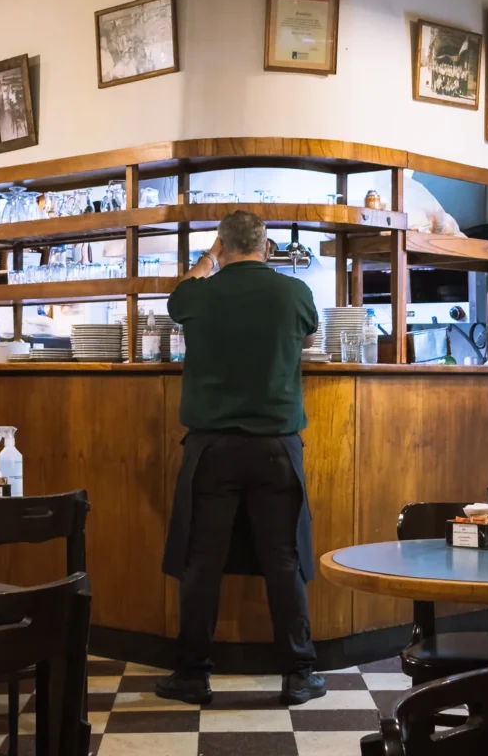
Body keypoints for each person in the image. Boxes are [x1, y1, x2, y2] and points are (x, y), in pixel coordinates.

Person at [156, 210, 326, 706]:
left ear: (222, 247)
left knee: (201, 560)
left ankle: (191, 675)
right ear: (268, 247)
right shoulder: (294, 293)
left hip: (211, 449)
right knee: (283, 558)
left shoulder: (197, 294)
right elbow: (310, 335)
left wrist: (207, 259)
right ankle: (298, 674)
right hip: (276, 447)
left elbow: (178, 295)